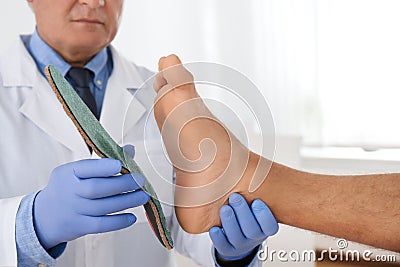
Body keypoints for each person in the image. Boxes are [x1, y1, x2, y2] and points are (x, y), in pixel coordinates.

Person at [0, 1, 279, 267]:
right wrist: (30, 223)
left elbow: (189, 227)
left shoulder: (160, 94)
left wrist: (234, 252)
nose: (95, 2)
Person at [152, 54, 400, 253]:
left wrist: (236, 257)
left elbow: (180, 232)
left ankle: (243, 181)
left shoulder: (144, 88)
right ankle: (243, 180)